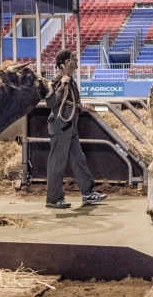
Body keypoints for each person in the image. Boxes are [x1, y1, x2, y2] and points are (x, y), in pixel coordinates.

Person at [44, 49, 107, 208]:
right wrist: (61, 86)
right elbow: (51, 103)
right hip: (61, 126)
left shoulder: (71, 82)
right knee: (57, 163)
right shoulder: (58, 81)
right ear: (65, 63)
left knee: (79, 160)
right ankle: (53, 199)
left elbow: (70, 105)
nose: (77, 61)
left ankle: (88, 193)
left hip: (70, 127)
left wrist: (81, 107)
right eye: (74, 59)